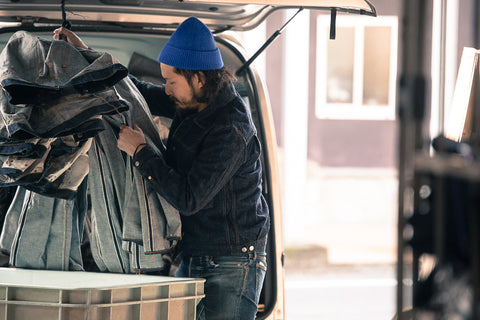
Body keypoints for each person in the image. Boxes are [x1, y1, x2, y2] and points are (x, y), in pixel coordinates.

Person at [54, 16, 270, 320]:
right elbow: (137, 92)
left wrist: (139, 151)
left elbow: (188, 198)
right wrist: (85, 54)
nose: (166, 90)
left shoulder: (230, 129)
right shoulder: (193, 101)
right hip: (196, 250)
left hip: (232, 261)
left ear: (199, 78)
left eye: (171, 81)